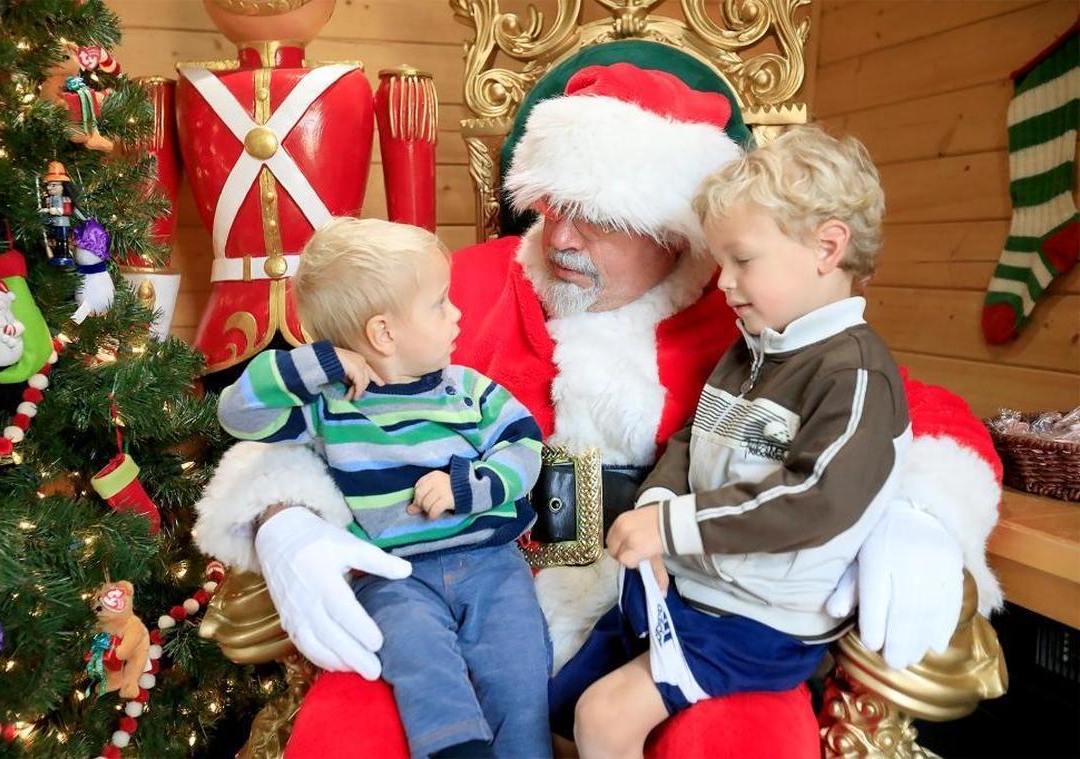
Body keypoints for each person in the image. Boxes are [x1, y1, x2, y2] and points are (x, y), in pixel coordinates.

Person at [195, 63, 1004, 758]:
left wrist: (922, 513)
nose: (561, 238)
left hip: (679, 608)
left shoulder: (750, 315)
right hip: (452, 591)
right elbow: (305, 404)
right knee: (348, 729)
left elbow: (913, 409)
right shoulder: (447, 289)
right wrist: (283, 515)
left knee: (745, 739)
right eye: (551, 204)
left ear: (677, 234)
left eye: (603, 218)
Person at [559, 125, 911, 758]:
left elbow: (817, 499)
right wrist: (651, 510)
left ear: (827, 248)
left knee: (603, 716)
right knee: (555, 697)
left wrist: (671, 529)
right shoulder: (752, 344)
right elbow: (694, 440)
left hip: (758, 622)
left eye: (743, 260)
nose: (723, 281)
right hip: (697, 585)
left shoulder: (853, 373)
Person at [215, 218, 552, 759]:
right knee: (419, 658)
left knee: (517, 663)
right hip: (393, 576)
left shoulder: (468, 389)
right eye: (441, 303)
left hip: (491, 561)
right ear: (384, 334)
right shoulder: (328, 404)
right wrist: (318, 361)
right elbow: (238, 413)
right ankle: (456, 749)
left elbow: (524, 448)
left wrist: (468, 487)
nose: (457, 313)